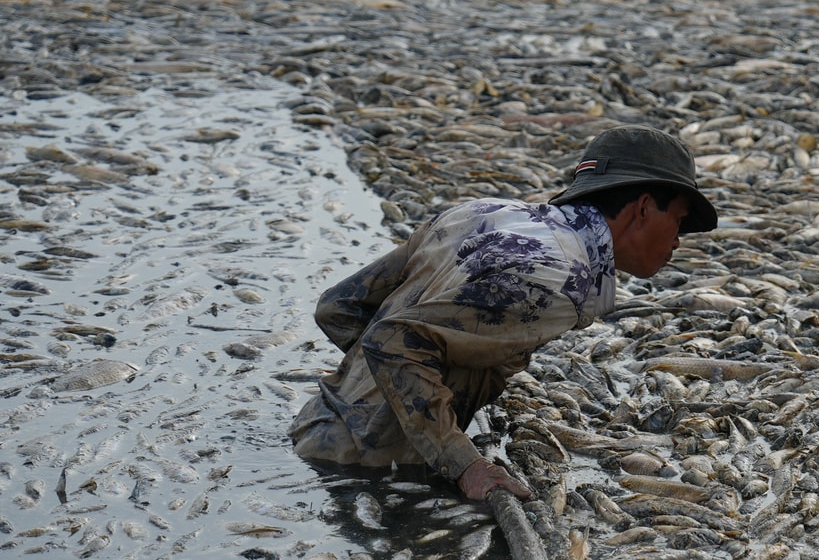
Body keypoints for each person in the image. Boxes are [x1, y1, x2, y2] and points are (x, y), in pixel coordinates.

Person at [289, 125, 718, 501]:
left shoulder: (485, 213)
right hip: (366, 468)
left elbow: (338, 307)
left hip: (315, 432)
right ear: (643, 208)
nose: (679, 240)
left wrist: (377, 387)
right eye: (679, 222)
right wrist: (465, 464)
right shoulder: (555, 279)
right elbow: (391, 342)